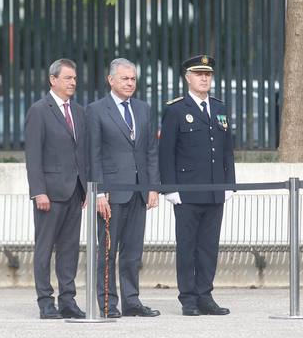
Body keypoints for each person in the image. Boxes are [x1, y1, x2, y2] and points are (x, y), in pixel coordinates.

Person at [159, 54, 236, 316]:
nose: (204, 78)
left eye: (208, 74)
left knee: (208, 247)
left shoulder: (219, 107)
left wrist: (229, 185)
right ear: (187, 78)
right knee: (187, 247)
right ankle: (188, 298)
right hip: (188, 192)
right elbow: (166, 152)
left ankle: (205, 295)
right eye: (198, 74)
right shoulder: (176, 109)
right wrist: (170, 188)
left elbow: (227, 151)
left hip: (215, 190)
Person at [88, 58, 161, 318]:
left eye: (133, 79)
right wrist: (97, 192)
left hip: (139, 191)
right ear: (111, 80)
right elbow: (93, 154)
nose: (130, 83)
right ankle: (108, 304)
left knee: (132, 253)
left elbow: (151, 150)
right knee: (107, 252)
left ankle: (132, 301)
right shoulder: (96, 110)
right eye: (125, 79)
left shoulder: (143, 108)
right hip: (111, 194)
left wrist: (153, 187)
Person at [23, 58, 90, 319]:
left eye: (74, 78)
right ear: (53, 80)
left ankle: (68, 300)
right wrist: (38, 191)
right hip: (49, 193)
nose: (72, 82)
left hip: (75, 192)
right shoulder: (39, 110)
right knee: (45, 248)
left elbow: (81, 152)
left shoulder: (79, 112)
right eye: (67, 78)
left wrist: (85, 188)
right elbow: (34, 155)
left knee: (70, 248)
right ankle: (45, 301)